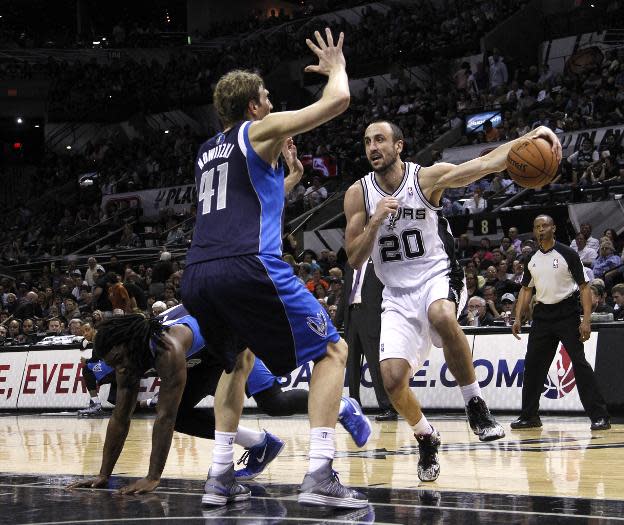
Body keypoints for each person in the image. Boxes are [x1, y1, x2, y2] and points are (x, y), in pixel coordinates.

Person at [180, 28, 367, 508]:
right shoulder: (257, 130)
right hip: (248, 267)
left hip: (199, 272)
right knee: (332, 351)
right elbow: (338, 101)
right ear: (253, 108)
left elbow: (245, 211)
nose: (271, 102)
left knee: (236, 361)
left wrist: (290, 179)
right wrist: (336, 68)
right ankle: (321, 473)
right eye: (266, 97)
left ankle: (220, 477)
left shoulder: (207, 152)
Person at [342, 120, 557, 480]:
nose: (372, 147)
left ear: (399, 146)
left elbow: (485, 164)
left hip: (437, 277)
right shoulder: (358, 194)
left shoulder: (426, 179)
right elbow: (354, 258)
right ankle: (426, 436)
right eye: (367, 142)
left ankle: (475, 404)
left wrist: (530, 137)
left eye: (380, 139)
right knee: (392, 381)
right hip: (395, 294)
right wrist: (375, 222)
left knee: (441, 314)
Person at [67, 306, 371, 494]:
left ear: (128, 344)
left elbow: (165, 418)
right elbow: (120, 418)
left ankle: (342, 406)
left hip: (230, 341)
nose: (119, 367)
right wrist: (103, 474)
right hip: (203, 357)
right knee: (182, 414)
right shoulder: (127, 360)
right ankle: (259, 443)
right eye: (112, 362)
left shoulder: (167, 347)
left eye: (119, 358)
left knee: (274, 403)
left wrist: (152, 477)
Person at [511, 215, 610, 431]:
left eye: (545, 225)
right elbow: (526, 289)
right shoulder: (531, 259)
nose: (541, 229)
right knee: (534, 366)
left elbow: (584, 287)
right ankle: (529, 416)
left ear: (554, 228)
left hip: (567, 311)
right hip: (543, 315)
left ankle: (599, 416)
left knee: (579, 363)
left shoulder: (568, 253)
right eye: (537, 227)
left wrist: (586, 320)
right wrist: (518, 317)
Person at [337, 260, 395, 421]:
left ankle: (387, 406)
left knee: (375, 364)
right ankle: (354, 407)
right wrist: (335, 324)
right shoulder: (350, 264)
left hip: (372, 318)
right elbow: (345, 294)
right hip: (352, 316)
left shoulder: (378, 261)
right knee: (352, 366)